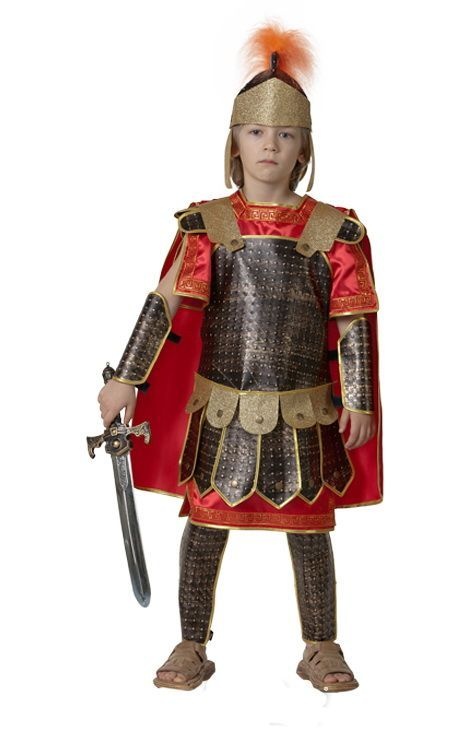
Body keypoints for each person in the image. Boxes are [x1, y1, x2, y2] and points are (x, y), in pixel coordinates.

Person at [97, 22, 382, 693]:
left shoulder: (332, 230)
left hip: (305, 409)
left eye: (285, 135)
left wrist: (360, 397)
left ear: (303, 148)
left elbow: (352, 319)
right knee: (204, 526)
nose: (269, 145)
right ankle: (192, 643)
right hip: (222, 407)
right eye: (256, 132)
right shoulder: (210, 225)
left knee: (309, 532)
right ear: (235, 142)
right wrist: (126, 378)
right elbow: (166, 302)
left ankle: (321, 646)